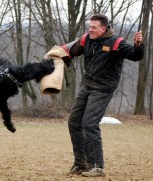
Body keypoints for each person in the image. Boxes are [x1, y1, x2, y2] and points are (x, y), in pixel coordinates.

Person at [60, 14, 144, 177]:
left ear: (103, 28)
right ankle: (81, 164)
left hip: (103, 88)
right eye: (89, 27)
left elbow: (135, 55)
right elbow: (72, 50)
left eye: (94, 27)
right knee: (74, 122)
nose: (90, 30)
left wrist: (138, 45)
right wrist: (60, 58)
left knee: (89, 123)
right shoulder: (87, 39)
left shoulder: (116, 43)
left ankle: (97, 166)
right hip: (88, 86)